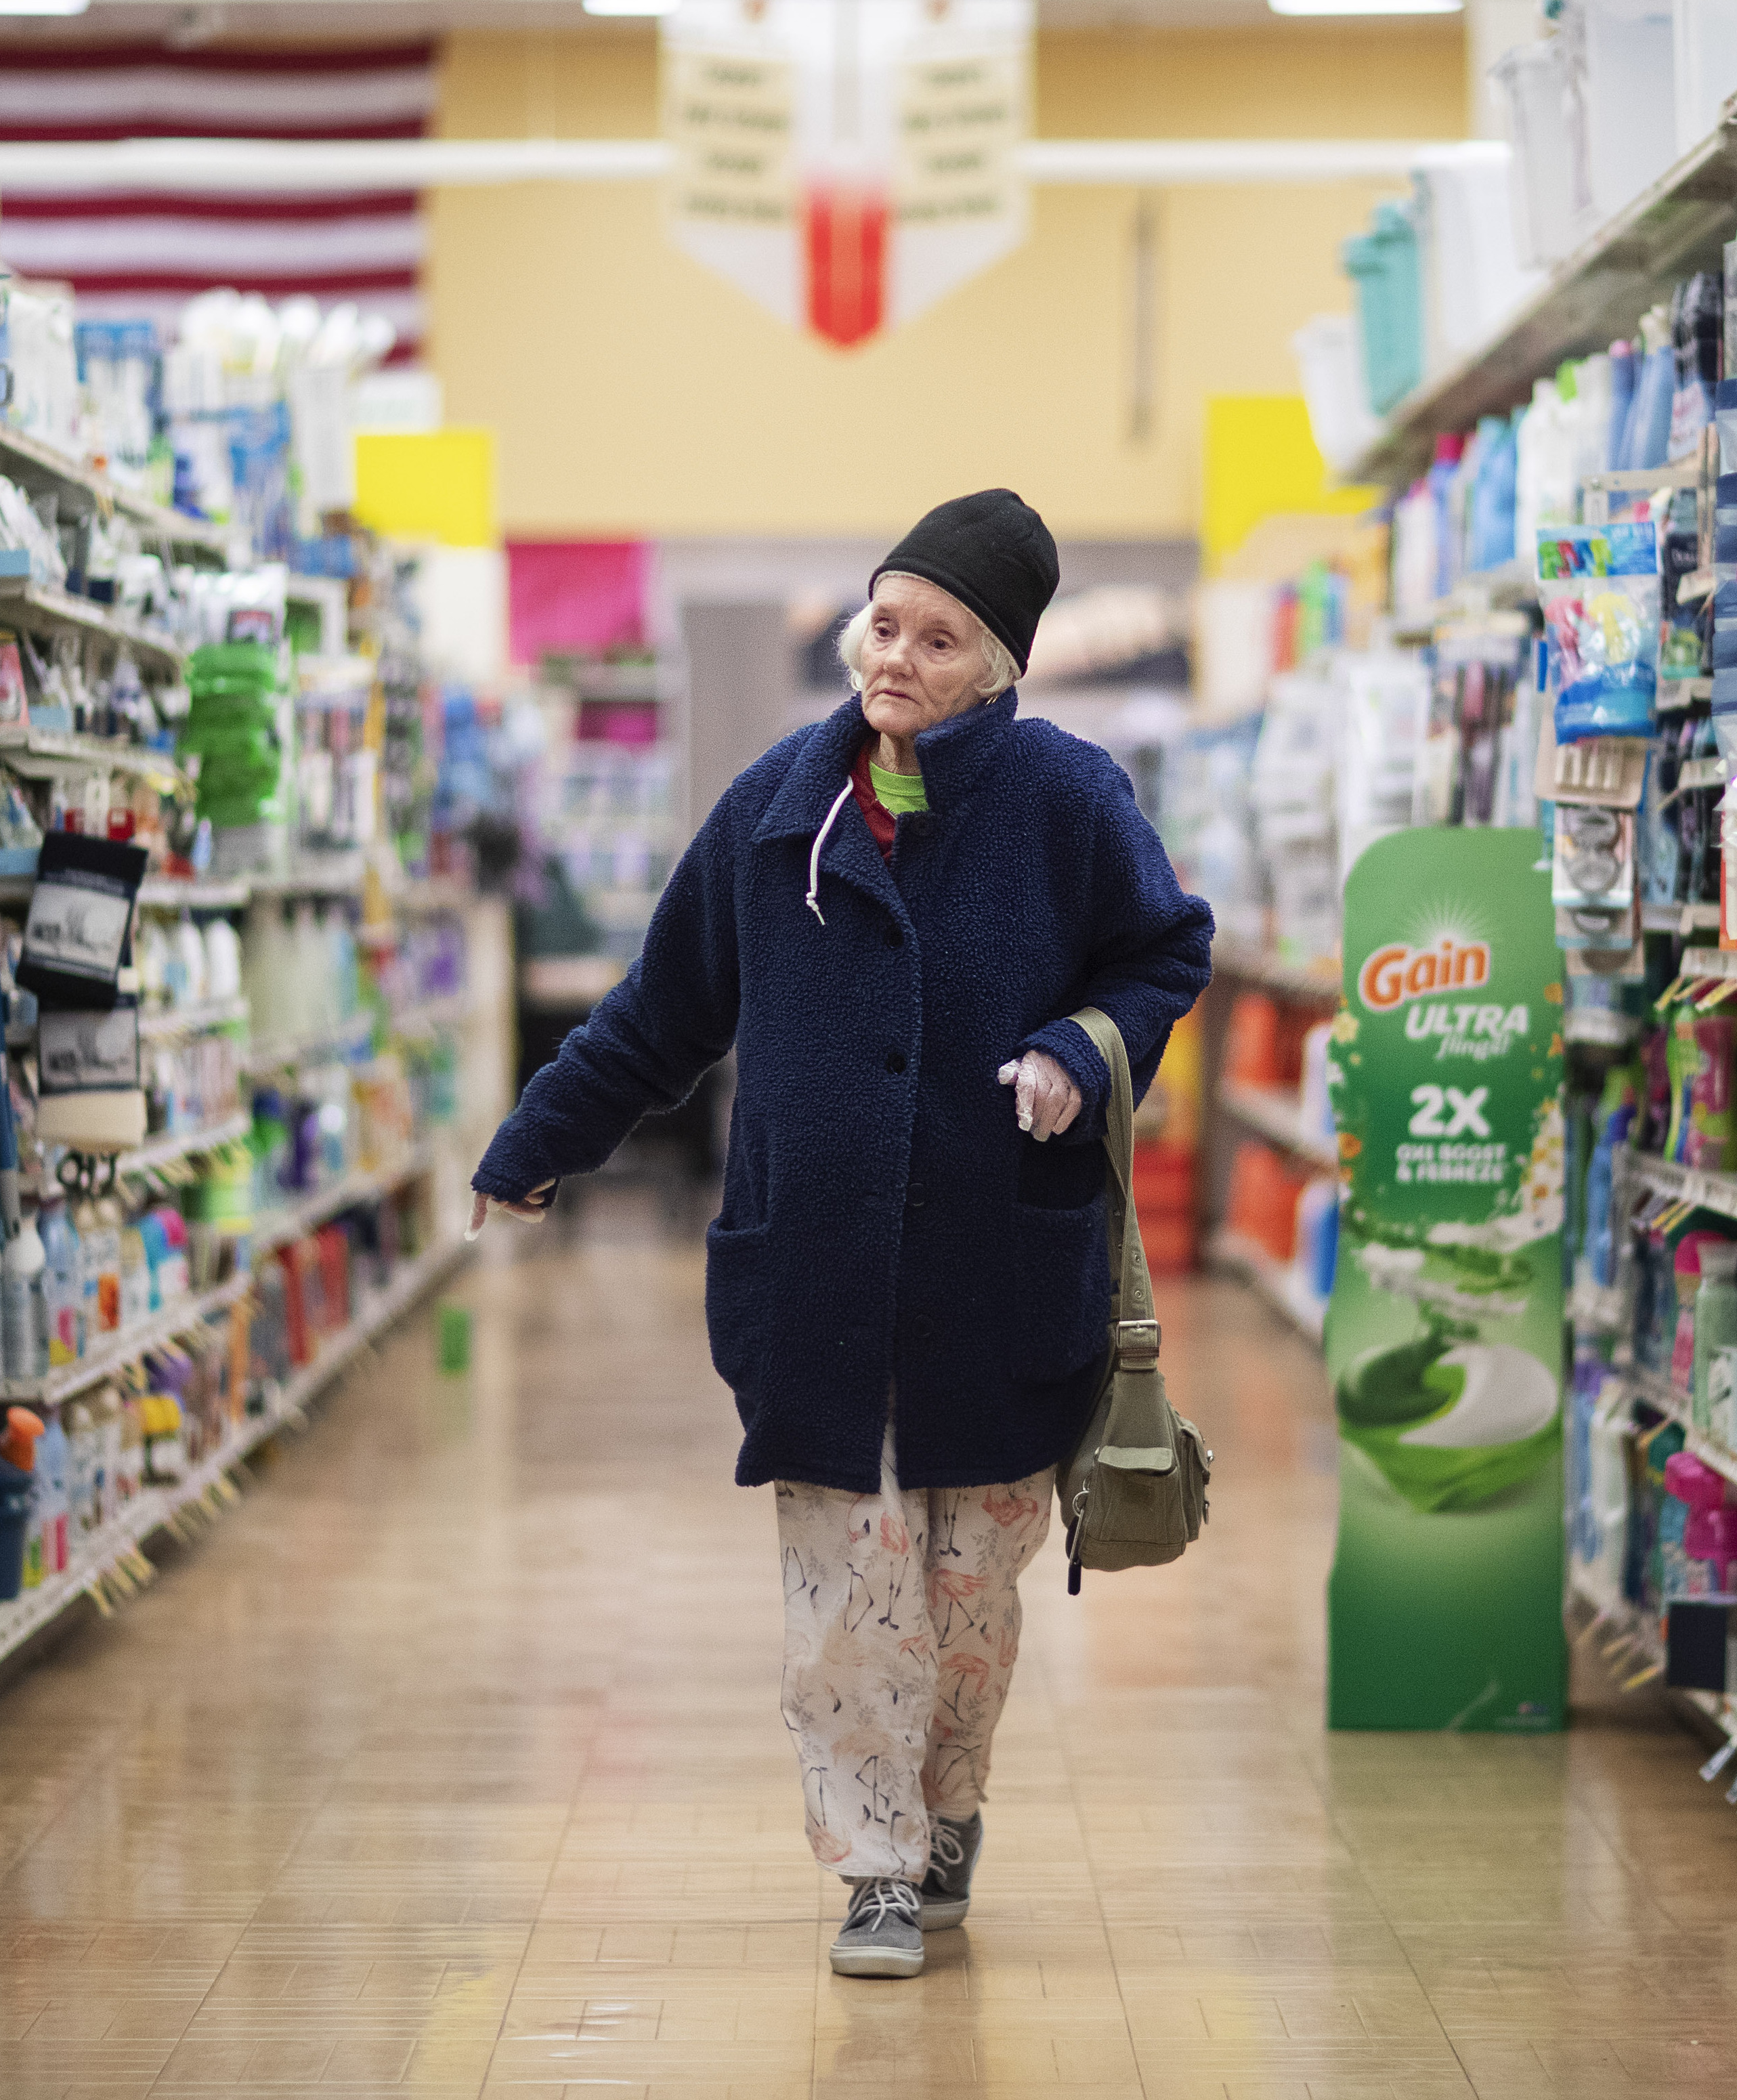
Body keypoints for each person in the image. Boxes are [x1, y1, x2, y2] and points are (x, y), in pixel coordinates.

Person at [469, 490, 1213, 1978]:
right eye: (885, 624)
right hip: (814, 1272)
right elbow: (661, 1012)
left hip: (1000, 1273)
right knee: (843, 1603)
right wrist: (537, 1143)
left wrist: (1080, 1043)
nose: (898, 658)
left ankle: (948, 1814)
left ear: (1000, 666)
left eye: (940, 639)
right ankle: (874, 1867)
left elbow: (1164, 951)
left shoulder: (1069, 802)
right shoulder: (771, 811)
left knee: (966, 1594)